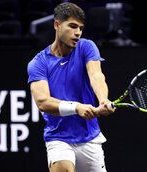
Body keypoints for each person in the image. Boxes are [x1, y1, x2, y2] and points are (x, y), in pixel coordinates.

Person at [27, 2, 115, 172]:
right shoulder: (38, 63)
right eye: (72, 26)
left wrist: (103, 99)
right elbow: (43, 102)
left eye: (81, 28)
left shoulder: (86, 47)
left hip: (90, 139)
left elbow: (96, 75)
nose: (77, 33)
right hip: (59, 138)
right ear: (57, 25)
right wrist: (77, 108)